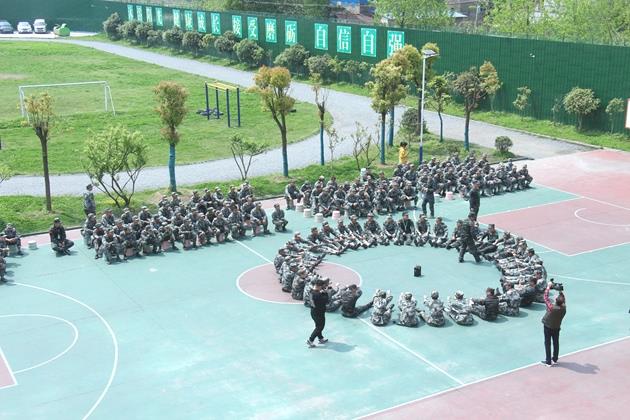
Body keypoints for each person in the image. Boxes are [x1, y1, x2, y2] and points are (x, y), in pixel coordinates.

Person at [541, 281, 566, 366]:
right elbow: (563, 299)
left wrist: (548, 287)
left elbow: (545, 297)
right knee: (556, 342)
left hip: (548, 326)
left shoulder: (552, 307)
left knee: (547, 343)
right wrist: (560, 291)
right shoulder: (564, 308)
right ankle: (555, 359)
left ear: (556, 301)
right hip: (556, 327)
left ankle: (548, 361)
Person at [307, 279, 329, 348]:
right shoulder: (318, 294)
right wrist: (325, 293)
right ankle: (310, 340)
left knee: (318, 326)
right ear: (319, 286)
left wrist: (321, 293)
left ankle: (320, 338)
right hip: (319, 313)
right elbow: (326, 300)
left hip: (313, 312)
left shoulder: (311, 291)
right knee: (320, 327)